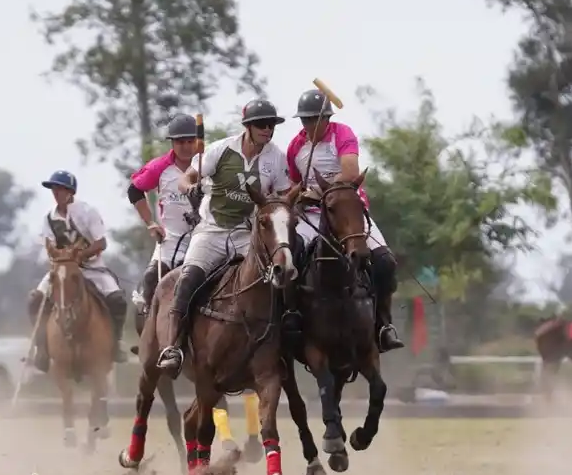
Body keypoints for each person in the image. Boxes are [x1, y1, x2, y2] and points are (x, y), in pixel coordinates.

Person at [156, 99, 293, 373]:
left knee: (279, 277)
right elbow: (187, 178)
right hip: (212, 231)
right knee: (188, 279)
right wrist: (189, 188)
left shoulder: (276, 158)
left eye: (272, 125)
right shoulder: (221, 150)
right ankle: (173, 346)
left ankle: (281, 343)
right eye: (262, 125)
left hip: (246, 234)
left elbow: (281, 195)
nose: (268, 130)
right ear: (248, 127)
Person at [285, 87, 404, 352]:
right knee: (290, 256)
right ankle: (291, 316)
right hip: (313, 217)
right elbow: (293, 183)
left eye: (317, 119)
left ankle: (384, 324)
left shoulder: (342, 134)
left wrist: (319, 190)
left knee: (384, 261)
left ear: (327, 118)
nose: (311, 125)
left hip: (349, 213)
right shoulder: (295, 146)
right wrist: (296, 196)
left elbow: (350, 172)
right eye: (306, 120)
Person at [26, 170, 129, 370]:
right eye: (54, 189)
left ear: (70, 191)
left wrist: (80, 256)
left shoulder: (87, 212)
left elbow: (101, 242)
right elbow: (50, 246)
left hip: (93, 269)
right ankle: (42, 349)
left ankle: (115, 343)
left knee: (117, 299)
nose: (56, 192)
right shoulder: (49, 218)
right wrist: (60, 258)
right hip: (62, 269)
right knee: (35, 300)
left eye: (61, 188)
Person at [127, 114, 201, 314]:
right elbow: (134, 190)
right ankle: (147, 340)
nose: (186, 146)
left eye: (190, 141)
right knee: (149, 282)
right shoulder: (159, 167)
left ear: (197, 141)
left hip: (206, 237)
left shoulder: (208, 163)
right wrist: (151, 223)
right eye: (180, 141)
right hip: (171, 240)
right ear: (172, 143)